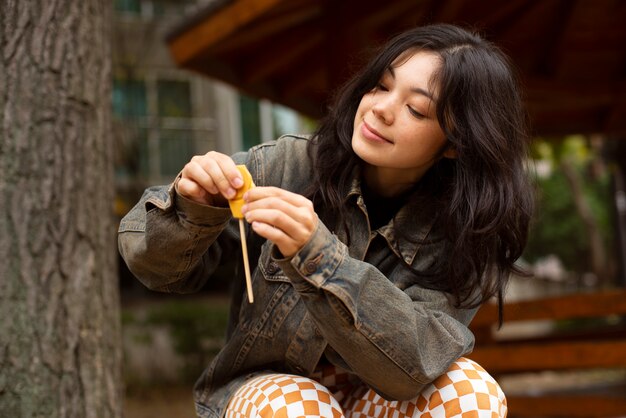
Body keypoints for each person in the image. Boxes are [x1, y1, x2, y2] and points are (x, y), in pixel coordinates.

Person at [118, 23, 533, 418]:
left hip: (381, 398)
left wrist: (319, 257)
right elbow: (155, 269)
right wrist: (193, 206)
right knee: (299, 407)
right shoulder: (289, 165)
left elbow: (415, 366)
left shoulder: (470, 231)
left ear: (455, 145)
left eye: (416, 109)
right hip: (269, 393)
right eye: (381, 85)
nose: (382, 110)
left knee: (470, 391)